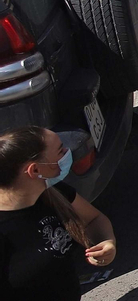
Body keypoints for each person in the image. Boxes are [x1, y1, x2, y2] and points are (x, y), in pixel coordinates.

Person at [0, 126, 118, 299]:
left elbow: (93, 219)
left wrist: (107, 241)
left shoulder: (52, 192)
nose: (67, 153)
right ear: (35, 170)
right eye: (60, 151)